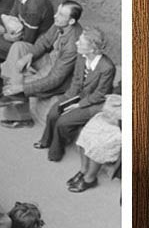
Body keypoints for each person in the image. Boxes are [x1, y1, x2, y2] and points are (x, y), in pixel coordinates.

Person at [32, 28, 117, 160]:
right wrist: (68, 98)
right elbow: (77, 80)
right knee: (53, 112)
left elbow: (100, 94)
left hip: (94, 102)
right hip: (78, 95)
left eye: (81, 42)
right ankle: (45, 141)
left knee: (63, 122)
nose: (76, 43)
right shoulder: (81, 57)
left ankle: (56, 151)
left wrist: (78, 105)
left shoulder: (107, 67)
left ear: (92, 49)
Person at [0, 0, 84, 122]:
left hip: (60, 75)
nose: (55, 16)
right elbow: (45, 41)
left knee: (21, 81)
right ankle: (17, 96)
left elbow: (55, 79)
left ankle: (20, 109)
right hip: (51, 59)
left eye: (61, 14)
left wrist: (22, 88)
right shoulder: (60, 23)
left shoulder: (72, 45)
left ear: (72, 21)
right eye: (57, 12)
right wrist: (30, 55)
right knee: (19, 46)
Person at [71, 94, 122, 193]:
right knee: (87, 133)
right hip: (112, 116)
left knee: (101, 143)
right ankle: (83, 170)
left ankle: (90, 178)